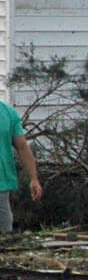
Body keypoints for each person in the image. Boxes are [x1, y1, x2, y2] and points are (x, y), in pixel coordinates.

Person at [0, 96, 43, 235]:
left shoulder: (8, 113)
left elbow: (22, 147)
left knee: (4, 235)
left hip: (1, 183)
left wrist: (34, 178)